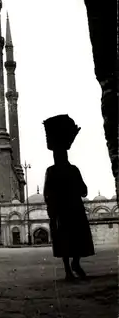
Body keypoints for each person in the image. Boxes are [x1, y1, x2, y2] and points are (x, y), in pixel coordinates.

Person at [43, 114, 95, 281]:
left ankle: (70, 269)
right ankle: (73, 266)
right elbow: (84, 191)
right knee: (74, 238)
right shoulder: (73, 169)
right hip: (72, 209)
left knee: (66, 239)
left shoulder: (52, 171)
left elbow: (47, 193)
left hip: (63, 210)